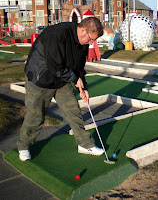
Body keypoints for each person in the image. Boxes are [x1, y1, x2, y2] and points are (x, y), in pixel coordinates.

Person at [17, 17, 105, 161]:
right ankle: (24, 146)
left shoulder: (82, 43)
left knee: (73, 110)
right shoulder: (57, 34)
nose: (91, 44)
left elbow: (79, 67)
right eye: (90, 39)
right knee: (36, 115)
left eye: (93, 41)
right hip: (40, 78)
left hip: (61, 79)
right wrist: (74, 79)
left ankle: (84, 144)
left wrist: (83, 86)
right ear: (83, 30)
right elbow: (55, 66)